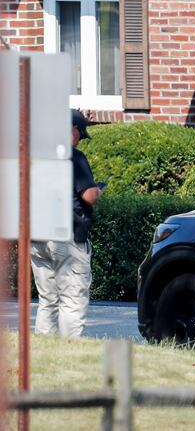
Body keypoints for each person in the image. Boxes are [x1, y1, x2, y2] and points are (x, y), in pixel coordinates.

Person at [30, 109, 101, 337]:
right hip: (66, 236)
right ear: (72, 130)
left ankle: (45, 348)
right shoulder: (74, 157)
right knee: (72, 298)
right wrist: (98, 190)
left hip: (37, 236)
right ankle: (70, 348)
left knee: (47, 299)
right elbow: (88, 196)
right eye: (81, 134)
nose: (80, 140)